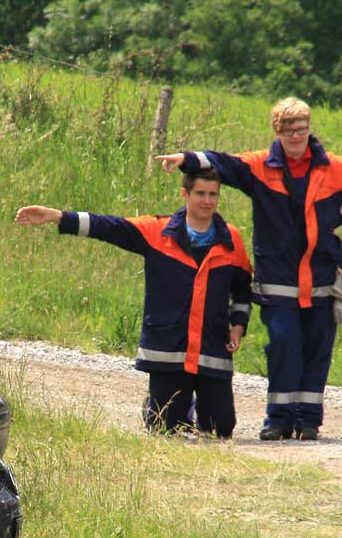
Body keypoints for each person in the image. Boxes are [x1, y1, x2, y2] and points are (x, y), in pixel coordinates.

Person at [156, 97, 342, 441]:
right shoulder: (261, 166)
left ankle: (308, 422)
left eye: (301, 128)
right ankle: (278, 419)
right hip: (278, 281)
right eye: (288, 130)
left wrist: (337, 218)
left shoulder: (333, 167)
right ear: (277, 132)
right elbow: (223, 163)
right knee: (284, 345)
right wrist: (185, 158)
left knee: (317, 350)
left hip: (322, 278)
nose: (295, 135)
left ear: (309, 128)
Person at [15, 168, 252, 439]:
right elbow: (110, 227)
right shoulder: (157, 230)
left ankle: (191, 406)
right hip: (168, 349)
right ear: (185, 194)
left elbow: (243, 291)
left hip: (212, 349)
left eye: (213, 194)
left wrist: (238, 326)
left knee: (220, 430)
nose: (207, 201)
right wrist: (57, 216)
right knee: (164, 429)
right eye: (200, 193)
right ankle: (156, 405)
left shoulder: (231, 238)